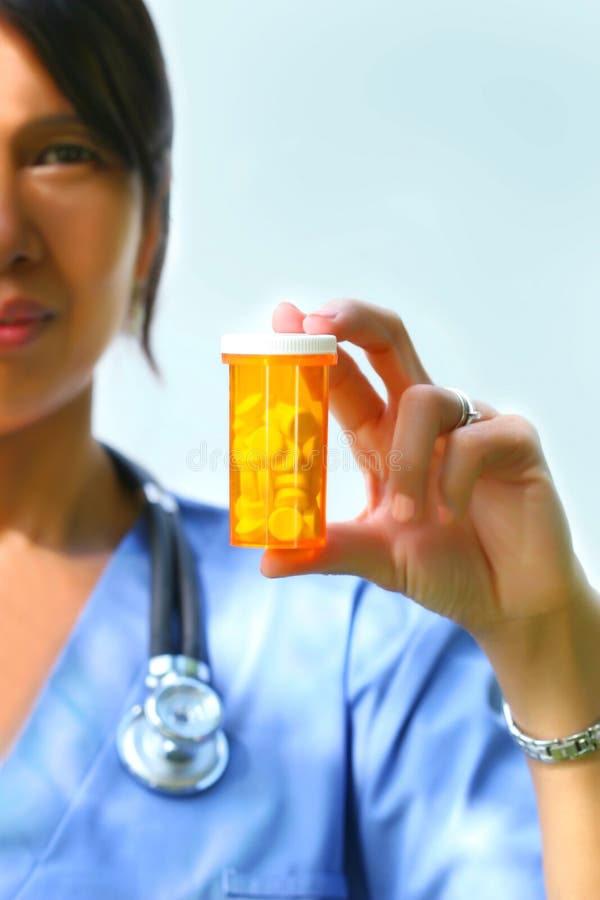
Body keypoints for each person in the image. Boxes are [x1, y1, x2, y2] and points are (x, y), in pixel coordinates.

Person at [0, 1, 597, 898]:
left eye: (62, 153)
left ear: (151, 220)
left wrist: (554, 661)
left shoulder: (352, 639)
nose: (5, 236)